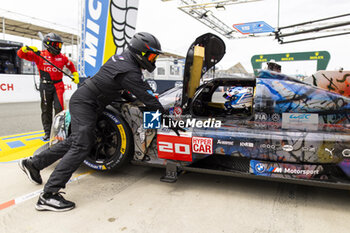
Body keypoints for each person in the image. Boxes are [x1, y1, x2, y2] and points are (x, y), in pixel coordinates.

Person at [18, 32, 172, 212]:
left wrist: (130, 96)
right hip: (85, 104)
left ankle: (34, 164)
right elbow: (148, 98)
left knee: (74, 141)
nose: (153, 59)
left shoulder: (124, 60)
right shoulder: (129, 70)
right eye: (152, 55)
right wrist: (165, 115)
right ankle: (48, 195)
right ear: (141, 52)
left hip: (87, 102)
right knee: (82, 145)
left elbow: (118, 85)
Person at [17, 32, 79, 140]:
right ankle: (47, 132)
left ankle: (60, 132)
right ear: (48, 44)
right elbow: (20, 54)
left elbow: (70, 65)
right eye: (56, 45)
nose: (58, 47)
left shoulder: (62, 57)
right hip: (45, 86)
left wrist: (75, 73)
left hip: (58, 86)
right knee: (46, 110)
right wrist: (25, 49)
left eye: (60, 45)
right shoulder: (39, 55)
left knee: (59, 109)